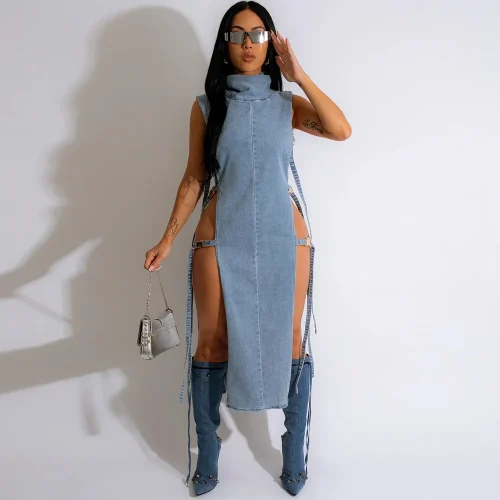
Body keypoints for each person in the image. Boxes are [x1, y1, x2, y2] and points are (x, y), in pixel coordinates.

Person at [144, 1, 351, 495]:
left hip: (284, 238)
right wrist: (168, 237)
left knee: (293, 342)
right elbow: (194, 178)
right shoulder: (206, 107)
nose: (247, 44)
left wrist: (299, 75)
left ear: (271, 43)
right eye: (237, 35)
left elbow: (341, 129)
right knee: (212, 344)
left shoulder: (287, 105)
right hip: (221, 237)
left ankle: (294, 456)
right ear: (225, 44)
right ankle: (208, 460)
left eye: (258, 34)